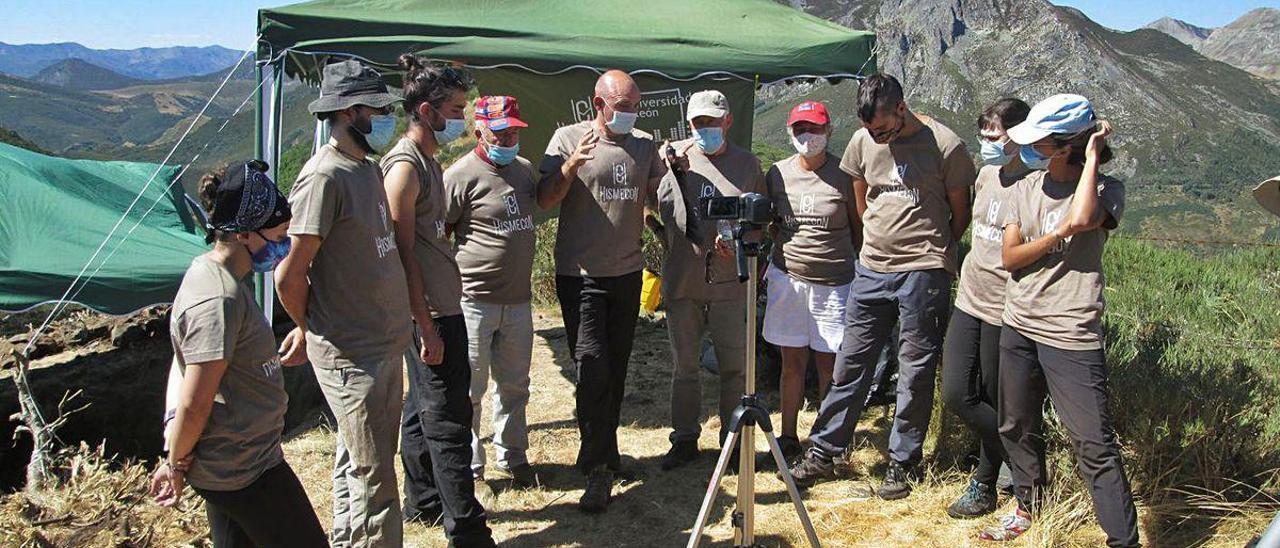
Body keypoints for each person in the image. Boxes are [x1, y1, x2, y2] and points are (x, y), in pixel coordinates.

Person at [788, 74, 975, 501]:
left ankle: (902, 461)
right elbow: (861, 199)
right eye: (873, 132)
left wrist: (933, 252)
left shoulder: (946, 145)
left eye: (885, 130)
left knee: (915, 368)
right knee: (850, 362)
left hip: (924, 270)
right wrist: (873, 242)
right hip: (872, 268)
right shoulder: (862, 142)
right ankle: (824, 449)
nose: (879, 138)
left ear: (903, 108)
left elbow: (959, 217)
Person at [979, 95, 1138, 547]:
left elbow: (1085, 216)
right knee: (1016, 423)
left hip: (1071, 331)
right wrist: (1056, 235)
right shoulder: (1026, 188)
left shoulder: (1108, 190)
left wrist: (1090, 158)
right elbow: (1011, 258)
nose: (1031, 149)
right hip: (1019, 321)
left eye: (1041, 142)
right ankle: (1029, 508)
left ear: (1065, 145)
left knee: (1093, 443)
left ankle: (1123, 541)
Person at [151, 161, 327, 548]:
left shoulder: (226, 281)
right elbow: (196, 400)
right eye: (279, 235)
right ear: (244, 233)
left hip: (243, 459)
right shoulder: (217, 298)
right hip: (243, 468)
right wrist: (174, 462)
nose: (286, 244)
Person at [275, 59, 414, 548]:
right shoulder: (324, 177)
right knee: (377, 480)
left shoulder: (366, 169)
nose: (385, 116)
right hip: (353, 354)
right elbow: (289, 273)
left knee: (357, 460)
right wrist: (311, 325)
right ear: (352, 111)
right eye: (378, 108)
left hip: (380, 345)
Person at [538, 69, 665, 513]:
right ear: (598, 104)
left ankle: (603, 454)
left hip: (627, 274)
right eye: (621, 107)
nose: (629, 115)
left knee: (616, 369)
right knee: (591, 366)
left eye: (635, 107)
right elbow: (546, 198)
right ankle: (597, 469)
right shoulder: (566, 138)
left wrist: (675, 174)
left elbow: (658, 196)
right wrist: (571, 167)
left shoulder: (645, 145)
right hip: (581, 276)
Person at [380, 55, 494, 546]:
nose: (459, 119)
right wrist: (424, 324)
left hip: (442, 306)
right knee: (448, 418)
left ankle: (424, 499)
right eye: (454, 109)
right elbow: (400, 253)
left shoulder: (429, 161)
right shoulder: (404, 168)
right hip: (431, 313)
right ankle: (465, 527)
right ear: (426, 111)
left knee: (421, 408)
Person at [652, 90, 764, 471]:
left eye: (713, 122)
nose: (706, 129)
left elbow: (758, 222)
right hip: (682, 284)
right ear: (689, 124)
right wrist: (669, 170)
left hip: (729, 286)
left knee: (734, 368)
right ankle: (684, 439)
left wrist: (742, 241)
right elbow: (654, 211)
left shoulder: (748, 164)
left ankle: (730, 445)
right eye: (699, 123)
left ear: (728, 121)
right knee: (685, 367)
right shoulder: (671, 159)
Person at [941, 98, 1031, 519]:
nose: (986, 143)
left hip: (1005, 306)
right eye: (983, 135)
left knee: (999, 398)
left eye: (993, 136)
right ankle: (1021, 464)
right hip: (969, 298)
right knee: (957, 392)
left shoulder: (1033, 183)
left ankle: (985, 482)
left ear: (1018, 134)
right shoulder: (986, 175)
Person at [442, 95, 538, 488]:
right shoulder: (459, 175)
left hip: (518, 301)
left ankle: (513, 456)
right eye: (501, 131)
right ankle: (471, 468)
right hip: (473, 302)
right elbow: (438, 236)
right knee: (471, 389)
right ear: (479, 131)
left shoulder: (525, 171)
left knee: (515, 385)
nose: (509, 137)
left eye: (514, 130)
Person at [761, 100, 858, 466]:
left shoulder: (846, 174)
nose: (808, 136)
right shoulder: (777, 173)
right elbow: (770, 221)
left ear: (829, 131)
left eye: (815, 129)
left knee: (829, 367)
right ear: (790, 133)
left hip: (835, 284)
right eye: (800, 129)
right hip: (789, 280)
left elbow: (859, 228)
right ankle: (787, 438)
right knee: (792, 363)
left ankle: (828, 442)